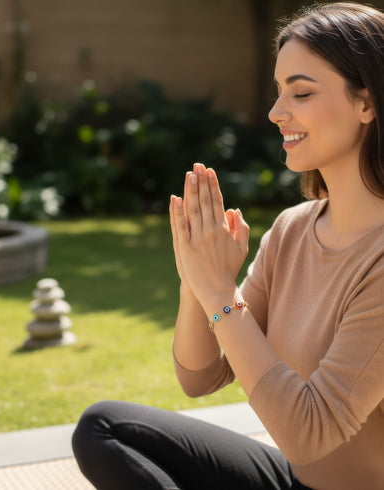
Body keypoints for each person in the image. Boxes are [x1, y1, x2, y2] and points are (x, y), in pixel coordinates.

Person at [72, 3, 384, 489]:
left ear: (367, 103)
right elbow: (200, 377)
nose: (277, 112)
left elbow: (309, 433)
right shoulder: (293, 229)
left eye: (301, 92)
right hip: (294, 480)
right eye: (279, 92)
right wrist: (196, 278)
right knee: (106, 429)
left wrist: (220, 290)